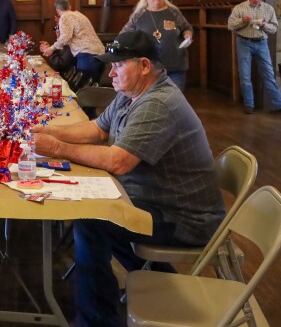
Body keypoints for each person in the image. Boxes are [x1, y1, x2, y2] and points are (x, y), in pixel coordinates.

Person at [31, 30, 225, 327]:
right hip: (153, 199)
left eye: (119, 65)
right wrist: (46, 132)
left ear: (145, 65)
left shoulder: (158, 103)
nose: (111, 72)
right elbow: (97, 130)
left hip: (185, 219)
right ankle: (158, 279)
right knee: (100, 213)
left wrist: (57, 149)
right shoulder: (132, 92)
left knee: (93, 220)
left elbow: (118, 161)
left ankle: (97, 321)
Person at [121, 0, 193, 90]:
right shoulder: (139, 15)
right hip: (149, 69)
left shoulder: (173, 12)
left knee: (175, 100)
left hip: (175, 66)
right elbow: (124, 34)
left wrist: (188, 35)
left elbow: (186, 28)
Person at [227, 0, 281, 115]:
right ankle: (249, 104)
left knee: (269, 74)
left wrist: (264, 24)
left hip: (261, 43)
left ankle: (278, 105)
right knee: (245, 74)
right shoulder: (239, 8)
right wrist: (243, 20)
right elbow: (230, 26)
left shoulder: (268, 9)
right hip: (243, 42)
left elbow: (274, 28)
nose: (257, 0)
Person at [40, 0, 105, 84]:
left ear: (57, 10)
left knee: (84, 89)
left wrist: (51, 48)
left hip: (86, 55)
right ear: (69, 7)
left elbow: (65, 37)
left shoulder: (64, 17)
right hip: (100, 54)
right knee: (94, 89)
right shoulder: (79, 15)